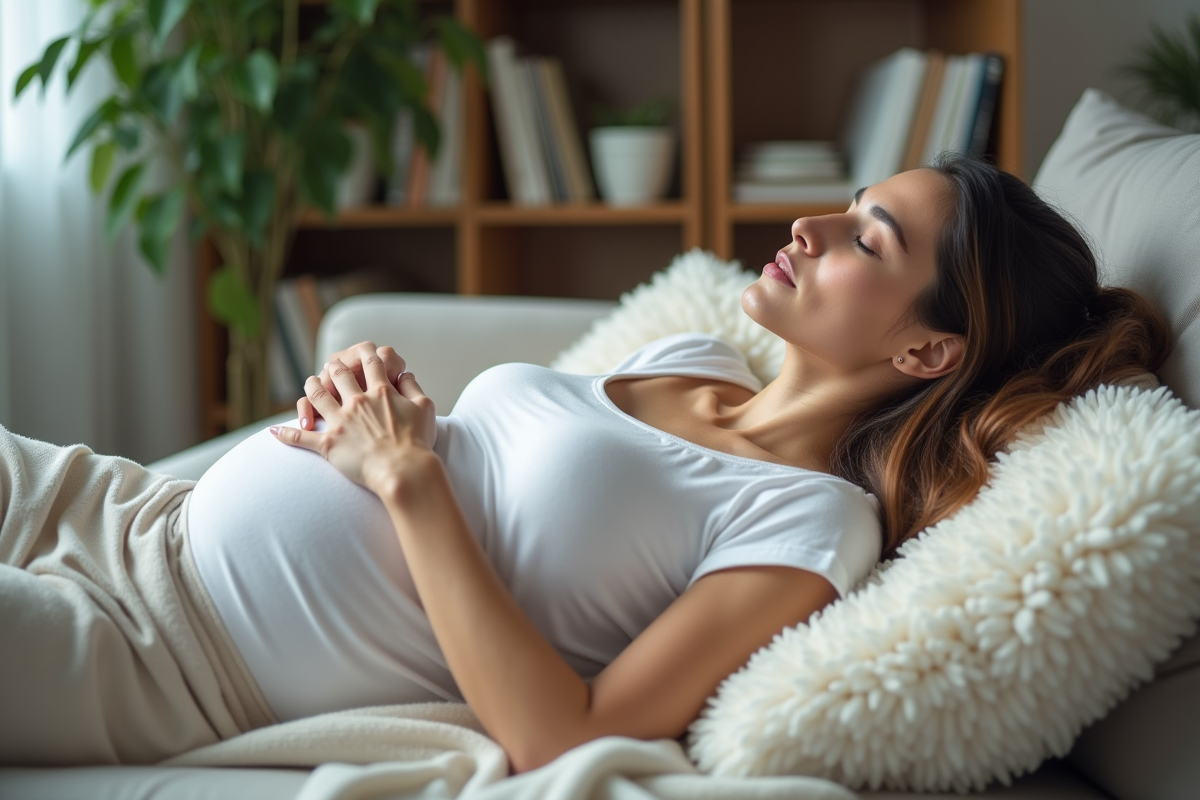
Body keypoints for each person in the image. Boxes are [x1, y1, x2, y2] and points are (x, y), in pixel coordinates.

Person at [0, 155, 1170, 771]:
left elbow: (569, 732)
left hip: (164, 663)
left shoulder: (811, 528)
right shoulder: (685, 350)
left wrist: (407, 477)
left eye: (868, 238)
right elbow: (471, 456)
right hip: (123, 504)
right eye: (850, 204)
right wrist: (371, 396)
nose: (810, 228)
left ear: (927, 345)